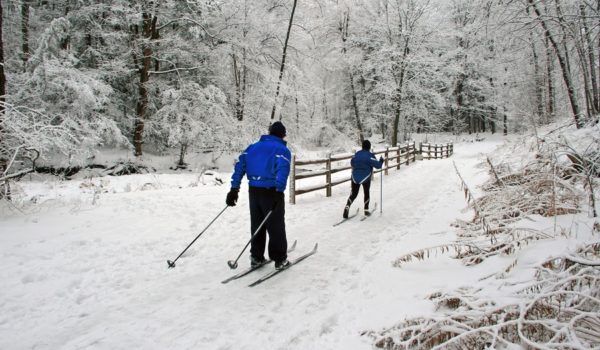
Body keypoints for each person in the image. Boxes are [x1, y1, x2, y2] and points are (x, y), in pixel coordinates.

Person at [225, 121, 292, 270]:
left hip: (254, 191)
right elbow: (282, 171)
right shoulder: (282, 149)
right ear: (283, 134)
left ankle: (256, 257)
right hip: (271, 190)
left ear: (269, 132)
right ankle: (280, 259)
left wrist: (234, 189)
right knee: (275, 225)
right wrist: (279, 191)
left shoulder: (252, 148)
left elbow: (240, 167)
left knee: (257, 223)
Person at [343, 139, 383, 218]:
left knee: (354, 194)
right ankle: (366, 210)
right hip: (365, 177)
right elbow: (378, 166)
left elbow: (352, 162)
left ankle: (347, 206)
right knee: (366, 192)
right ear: (369, 147)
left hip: (355, 177)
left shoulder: (357, 154)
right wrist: (381, 161)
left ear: (362, 146)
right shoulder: (370, 156)